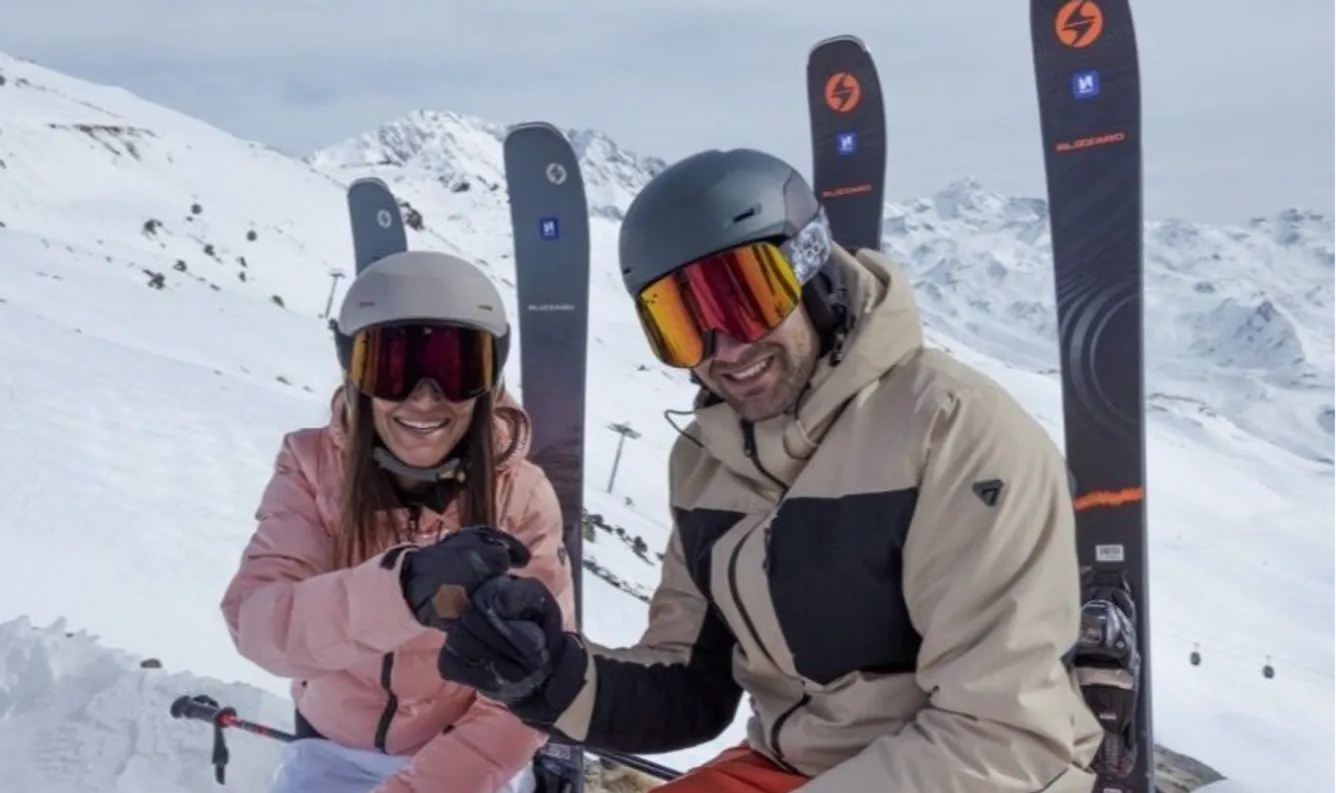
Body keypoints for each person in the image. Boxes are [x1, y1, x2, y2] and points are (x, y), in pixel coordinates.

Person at [430, 147, 1107, 793]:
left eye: (743, 298)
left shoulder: (952, 430)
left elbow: (1004, 735)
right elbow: (690, 684)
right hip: (794, 765)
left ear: (811, 269)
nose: (724, 348)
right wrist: (545, 674)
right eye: (681, 324)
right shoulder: (707, 461)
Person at [220, 250, 576, 793]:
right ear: (354, 372)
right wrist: (401, 593)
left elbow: (524, 687)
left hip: (454, 758)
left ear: (489, 379)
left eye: (456, 369)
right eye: (392, 368)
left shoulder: (520, 496)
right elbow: (259, 625)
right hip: (327, 745)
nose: (424, 398)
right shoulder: (313, 466)